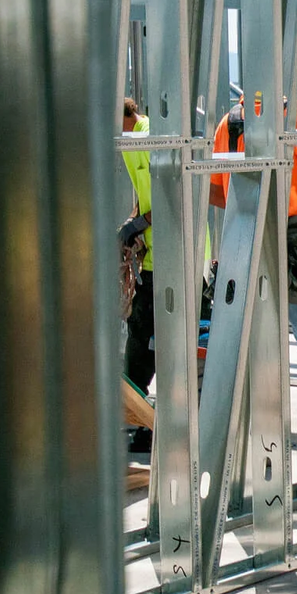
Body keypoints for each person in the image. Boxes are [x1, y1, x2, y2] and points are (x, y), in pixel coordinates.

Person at [209, 62, 297, 363]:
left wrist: (248, 203)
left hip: (240, 239)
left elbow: (215, 190)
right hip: (290, 244)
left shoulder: (228, 122)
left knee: (244, 340)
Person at [119, 98, 155, 452]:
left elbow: (168, 192)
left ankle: (146, 421)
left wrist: (140, 224)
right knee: (142, 340)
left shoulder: (148, 134)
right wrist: (133, 222)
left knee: (144, 343)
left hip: (174, 254)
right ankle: (142, 419)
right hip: (154, 257)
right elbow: (145, 197)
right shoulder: (131, 141)